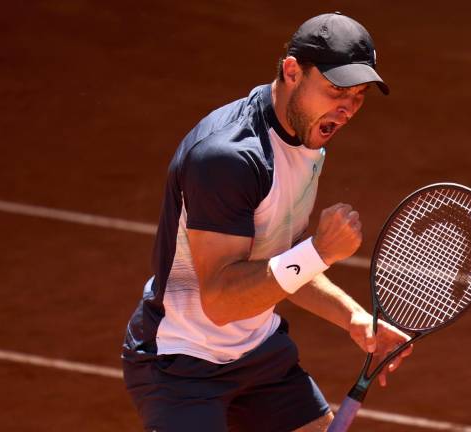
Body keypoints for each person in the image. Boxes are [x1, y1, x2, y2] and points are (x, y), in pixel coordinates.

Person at [121, 12, 412, 432]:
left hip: (259, 357)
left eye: (359, 95)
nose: (347, 108)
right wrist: (318, 252)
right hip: (181, 366)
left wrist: (353, 318)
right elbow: (221, 302)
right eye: (336, 90)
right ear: (292, 72)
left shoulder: (308, 141)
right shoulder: (228, 159)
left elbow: (277, 265)